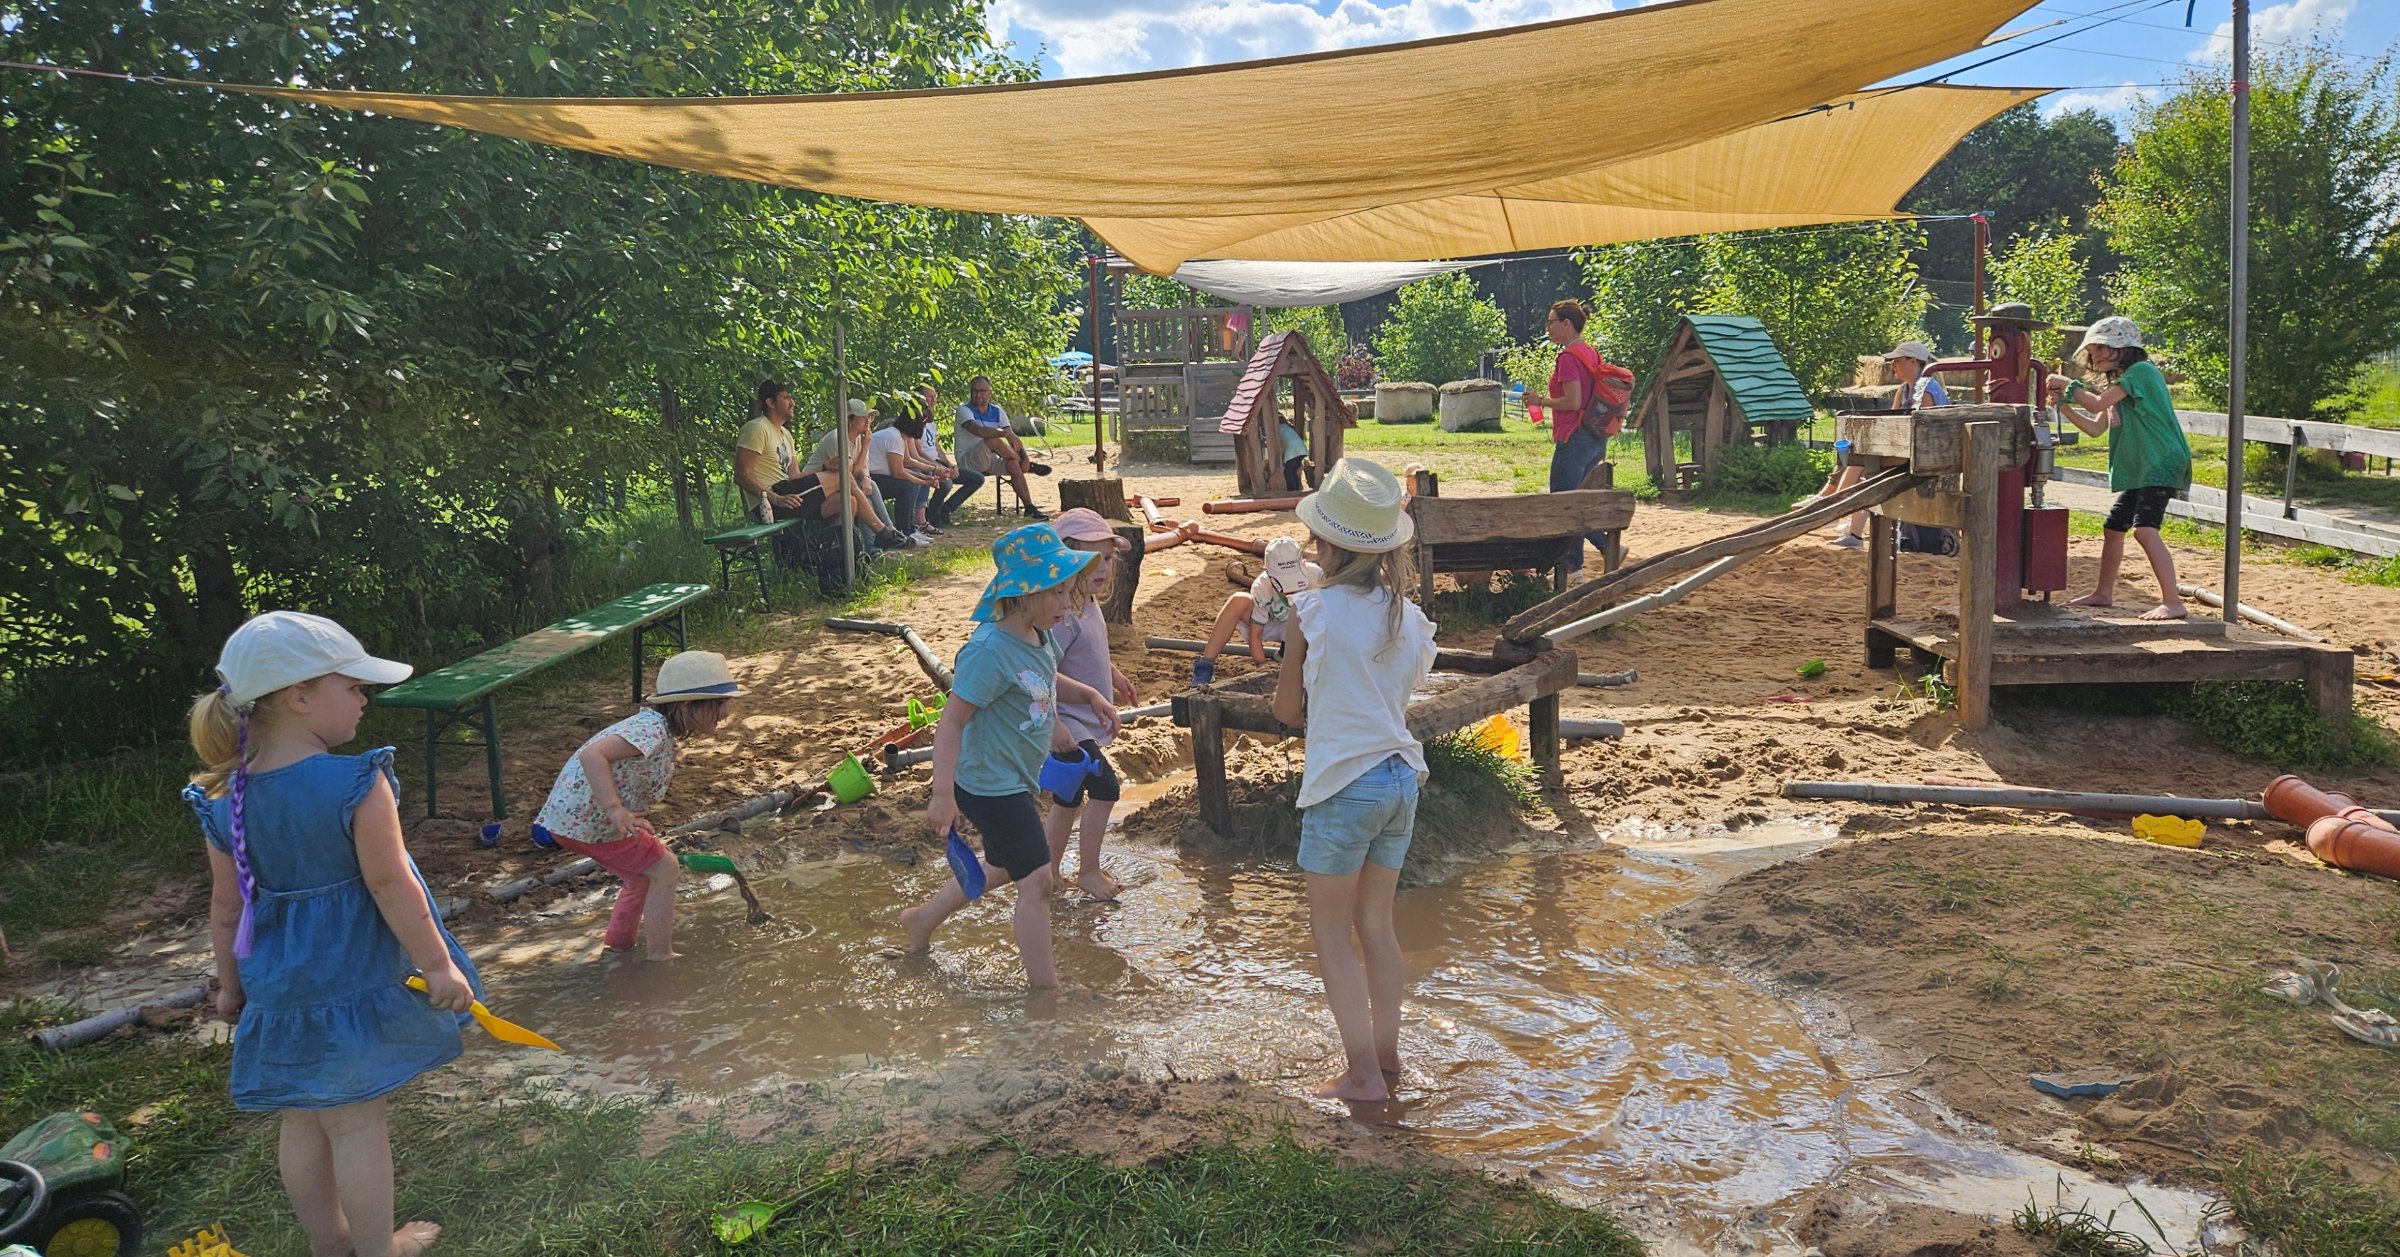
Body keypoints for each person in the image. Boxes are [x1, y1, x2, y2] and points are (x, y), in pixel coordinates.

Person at [183, 611, 479, 1257]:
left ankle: (330, 1243)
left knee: (304, 1115)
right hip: (343, 976)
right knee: (357, 1122)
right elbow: (391, 885)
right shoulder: (354, 780)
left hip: (277, 982)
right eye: (352, 685)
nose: (364, 698)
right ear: (299, 696)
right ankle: (379, 1250)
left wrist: (230, 987)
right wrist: (436, 965)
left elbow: (227, 907)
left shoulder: (223, 795)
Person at [1269, 458, 1438, 1103]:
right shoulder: (1408, 617)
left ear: (1326, 544)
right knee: (1377, 926)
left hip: (1344, 784)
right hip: (1401, 779)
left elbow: (1287, 712)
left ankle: (1362, 1076)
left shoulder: (1310, 612)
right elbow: (1399, 688)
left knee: (1331, 934)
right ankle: (1388, 1060)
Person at [899, 523, 1120, 986]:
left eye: (1066, 593)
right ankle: (1046, 992)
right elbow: (951, 722)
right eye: (1056, 595)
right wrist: (942, 795)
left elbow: (1043, 679)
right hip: (987, 784)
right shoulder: (987, 651)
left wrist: (1090, 697)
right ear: (1022, 595)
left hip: (1015, 777)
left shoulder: (1040, 634)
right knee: (1037, 881)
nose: (1065, 607)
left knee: (1003, 864)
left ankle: (922, 920)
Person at [530, 651, 744, 960]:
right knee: (665, 867)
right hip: (590, 822)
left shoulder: (655, 727)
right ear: (687, 705)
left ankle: (619, 947)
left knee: (640, 876)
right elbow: (592, 756)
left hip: (571, 820)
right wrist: (616, 809)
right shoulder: (652, 731)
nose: (725, 712)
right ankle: (661, 957)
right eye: (719, 703)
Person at [2047, 315, 2191, 621]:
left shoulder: (2141, 372)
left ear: (2123, 347)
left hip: (2160, 462)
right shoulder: (2121, 386)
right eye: (2093, 350)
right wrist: (2065, 406)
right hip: (2144, 467)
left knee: (2145, 530)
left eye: (2102, 348)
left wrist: (2067, 385)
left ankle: (2173, 601)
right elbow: (2095, 427)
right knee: (2114, 528)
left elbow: (2097, 404)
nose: (2095, 355)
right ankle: (2103, 593)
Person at [1042, 510, 1140, 901]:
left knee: (1068, 799)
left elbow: (1087, 653)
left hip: (1080, 717)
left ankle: (1047, 872)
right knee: (1107, 788)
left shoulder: (1089, 603)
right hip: (1067, 722)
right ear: (1065, 562)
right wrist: (1053, 725)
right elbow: (1041, 673)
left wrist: (1113, 674)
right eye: (1091, 560)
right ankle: (1088, 871)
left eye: (1109, 558)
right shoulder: (1062, 615)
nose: (1103, 568)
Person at [1520, 300, 1625, 570]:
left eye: (1551, 322)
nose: (1548, 328)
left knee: (1564, 504)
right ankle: (1575, 569)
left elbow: (1573, 401)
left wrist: (1540, 400)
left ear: (1566, 324)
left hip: (1574, 437)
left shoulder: (1568, 357)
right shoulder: (1591, 352)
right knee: (1577, 500)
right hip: (1595, 437)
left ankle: (1604, 545)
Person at [1821, 340, 1953, 548]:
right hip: (1908, 450)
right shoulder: (1905, 390)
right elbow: (1889, 423)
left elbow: (1927, 433)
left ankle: (1835, 508)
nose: (1893, 366)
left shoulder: (1926, 389)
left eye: (1898, 361)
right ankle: (1841, 515)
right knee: (1861, 458)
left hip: (1924, 455)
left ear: (1913, 361)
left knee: (1863, 460)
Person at [1191, 536, 1324, 687]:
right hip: (1277, 625)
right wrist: (1262, 666)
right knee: (1238, 601)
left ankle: (1291, 650)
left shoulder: (1316, 575)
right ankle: (1205, 665)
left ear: (1304, 564)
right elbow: (1256, 634)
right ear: (1267, 573)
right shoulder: (1261, 586)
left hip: (1308, 626)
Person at [808, 398, 914, 551]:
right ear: (850, 420)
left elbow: (864, 467)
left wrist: (865, 478)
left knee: (868, 487)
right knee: (862, 496)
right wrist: (865, 447)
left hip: (840, 487)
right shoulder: (837, 439)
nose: (868, 421)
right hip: (818, 490)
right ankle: (881, 540)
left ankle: (884, 537)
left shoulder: (859, 438)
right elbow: (847, 476)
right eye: (863, 418)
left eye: (870, 417)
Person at [956, 375, 1051, 520]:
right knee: (991, 440)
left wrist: (1024, 456)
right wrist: (1005, 433)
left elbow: (1013, 439)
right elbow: (979, 431)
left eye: (982, 391)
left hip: (991, 460)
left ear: (990, 393)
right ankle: (1029, 467)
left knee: (1013, 464)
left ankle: (1029, 508)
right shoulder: (964, 410)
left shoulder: (998, 411)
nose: (978, 395)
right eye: (974, 391)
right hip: (968, 461)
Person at [869, 401, 950, 542]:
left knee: (911, 482)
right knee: (907, 485)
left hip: (877, 477)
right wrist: (924, 480)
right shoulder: (894, 437)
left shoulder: (900, 436)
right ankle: (905, 531)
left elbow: (906, 463)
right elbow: (898, 473)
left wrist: (927, 479)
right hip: (870, 479)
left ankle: (910, 529)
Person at [734, 380, 806, 525]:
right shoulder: (757, 428)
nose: (792, 403)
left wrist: (824, 467)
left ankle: (837, 546)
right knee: (841, 480)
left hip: (789, 493)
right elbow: (741, 475)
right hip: (770, 502)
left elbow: (795, 476)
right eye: (786, 398)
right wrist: (776, 499)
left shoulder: (786, 434)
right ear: (771, 403)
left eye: (791, 398)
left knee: (845, 499)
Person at [917, 383, 985, 526]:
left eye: (934, 397)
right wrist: (938, 467)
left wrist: (949, 465)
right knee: (946, 482)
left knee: (977, 479)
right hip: (923, 462)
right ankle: (933, 514)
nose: (933, 400)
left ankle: (945, 509)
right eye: (929, 396)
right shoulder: (914, 420)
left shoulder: (930, 421)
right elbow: (918, 452)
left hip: (936, 461)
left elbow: (937, 447)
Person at [1278, 415, 1312, 492]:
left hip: (1293, 451)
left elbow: (1280, 446)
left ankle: (1292, 491)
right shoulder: (1288, 427)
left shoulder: (1278, 429)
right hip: (1301, 449)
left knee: (1288, 473)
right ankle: (1296, 489)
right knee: (1293, 472)